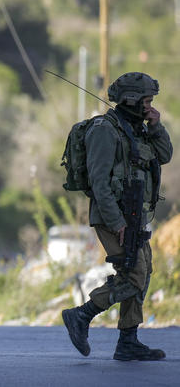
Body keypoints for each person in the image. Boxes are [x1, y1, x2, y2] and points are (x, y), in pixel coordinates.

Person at [62, 72, 173, 361]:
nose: (150, 106)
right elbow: (99, 183)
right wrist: (117, 221)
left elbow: (165, 154)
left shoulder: (136, 128)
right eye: (146, 100)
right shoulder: (104, 130)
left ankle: (128, 341)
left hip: (135, 214)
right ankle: (81, 315)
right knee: (134, 276)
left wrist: (156, 124)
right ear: (132, 99)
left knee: (142, 272)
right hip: (114, 216)